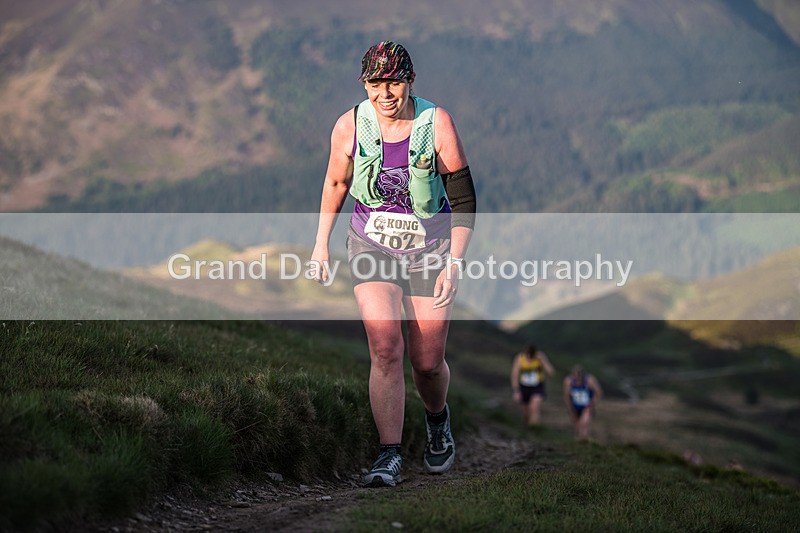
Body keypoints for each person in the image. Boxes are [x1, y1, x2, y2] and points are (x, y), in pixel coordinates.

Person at [310, 41, 476, 487]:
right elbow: (336, 183)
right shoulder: (349, 126)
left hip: (431, 249)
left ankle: (437, 419)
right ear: (364, 83)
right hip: (371, 246)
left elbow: (463, 199)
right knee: (385, 348)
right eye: (375, 83)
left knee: (427, 361)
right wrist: (321, 245)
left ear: (410, 81)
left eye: (394, 83)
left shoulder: (436, 123)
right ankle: (389, 454)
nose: (385, 93)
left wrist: (454, 264)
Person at [510, 345, 555, 427]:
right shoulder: (520, 358)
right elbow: (515, 374)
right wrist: (516, 390)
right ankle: (527, 426)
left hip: (537, 386)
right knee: (526, 412)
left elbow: (551, 372)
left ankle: (535, 429)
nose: (530, 357)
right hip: (524, 386)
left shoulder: (540, 357)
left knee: (534, 407)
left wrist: (543, 361)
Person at [563, 365, 603, 440]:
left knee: (583, 424)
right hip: (574, 406)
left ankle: (583, 439)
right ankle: (579, 440)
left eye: (578, 375)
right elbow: (566, 397)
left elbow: (599, 392)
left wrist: (593, 403)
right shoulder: (569, 382)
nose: (576, 377)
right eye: (574, 375)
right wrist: (570, 409)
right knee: (577, 425)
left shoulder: (589, 381)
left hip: (586, 406)